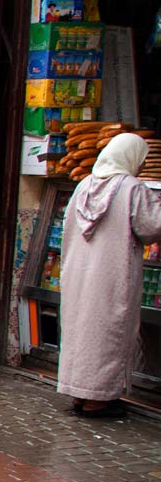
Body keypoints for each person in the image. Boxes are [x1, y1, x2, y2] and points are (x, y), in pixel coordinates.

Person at [58, 133, 161, 418]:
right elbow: (151, 226)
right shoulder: (131, 188)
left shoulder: (83, 186)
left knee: (81, 330)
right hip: (112, 274)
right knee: (107, 331)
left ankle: (79, 394)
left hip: (79, 274)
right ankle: (98, 400)